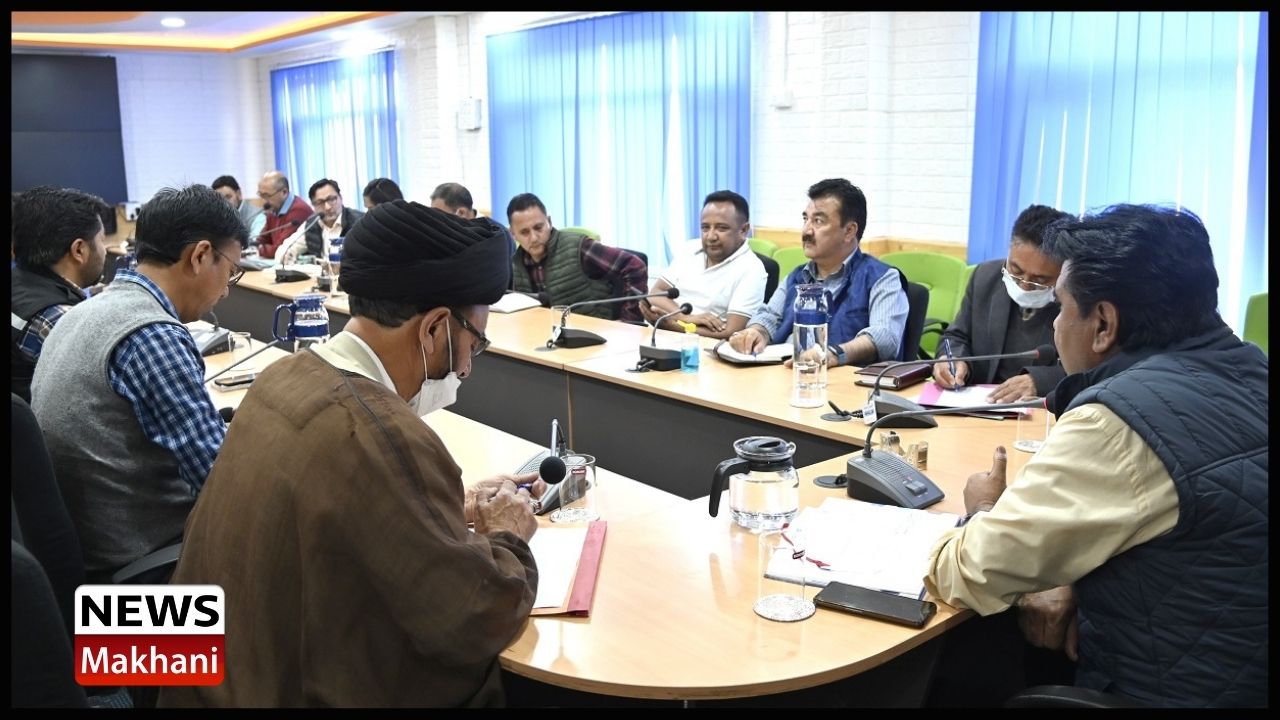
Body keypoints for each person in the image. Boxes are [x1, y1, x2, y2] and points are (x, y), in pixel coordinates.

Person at [157, 200, 544, 708]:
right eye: (475, 342)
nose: (469, 366)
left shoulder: (282, 376)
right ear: (433, 329)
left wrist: (443, 511)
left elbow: (344, 519)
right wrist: (506, 533)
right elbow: (477, 616)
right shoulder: (382, 432)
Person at [924, 204, 1268, 707]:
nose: (1055, 326)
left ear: (1103, 323)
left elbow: (964, 572)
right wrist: (1073, 576)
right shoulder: (1254, 370)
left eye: (1061, 308)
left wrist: (983, 510)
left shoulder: (1118, 421)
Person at [29, 185, 247, 583]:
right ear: (200, 255)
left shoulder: (84, 310)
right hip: (149, 566)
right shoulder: (152, 335)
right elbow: (222, 482)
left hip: (93, 547)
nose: (226, 290)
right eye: (231, 271)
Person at [728, 178, 909, 365]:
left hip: (843, 379)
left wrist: (833, 354)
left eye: (818, 221)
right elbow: (769, 316)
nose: (806, 231)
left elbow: (885, 338)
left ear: (849, 231)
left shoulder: (882, 278)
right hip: (786, 372)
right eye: (805, 219)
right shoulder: (797, 276)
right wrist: (755, 332)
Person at [933, 204, 1072, 402]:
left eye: (1040, 279)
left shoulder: (1079, 300)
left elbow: (1094, 370)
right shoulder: (985, 277)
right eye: (1016, 270)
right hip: (976, 404)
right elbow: (956, 336)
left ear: (1063, 270)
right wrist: (952, 359)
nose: (1024, 286)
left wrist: (1039, 381)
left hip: (1039, 411)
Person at [11, 186, 111, 402]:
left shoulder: (19, 283)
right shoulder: (60, 320)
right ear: (79, 250)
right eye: (102, 240)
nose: (105, 249)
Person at [641, 190, 767, 339]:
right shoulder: (689, 249)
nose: (711, 236)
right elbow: (656, 293)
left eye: (721, 228)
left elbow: (732, 332)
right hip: (661, 334)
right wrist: (685, 318)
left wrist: (676, 327)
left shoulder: (752, 269)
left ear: (743, 230)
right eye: (705, 227)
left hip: (704, 347)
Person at [507, 192, 648, 321]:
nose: (534, 238)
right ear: (513, 234)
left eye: (538, 228)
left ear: (549, 221)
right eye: (524, 232)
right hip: (544, 335)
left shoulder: (579, 248)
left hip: (594, 334)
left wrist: (629, 321)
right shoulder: (515, 263)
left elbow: (635, 266)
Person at [275, 178, 365, 266]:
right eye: (320, 202)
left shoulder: (360, 222)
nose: (327, 207)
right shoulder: (311, 224)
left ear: (340, 198)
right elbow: (281, 252)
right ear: (313, 206)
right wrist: (290, 257)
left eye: (332, 199)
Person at [254, 171, 313, 259]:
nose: (263, 201)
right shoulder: (274, 208)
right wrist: (256, 246)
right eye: (260, 195)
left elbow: (280, 249)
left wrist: (259, 250)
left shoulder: (299, 210)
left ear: (284, 192)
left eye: (267, 196)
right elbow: (262, 240)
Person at [211, 174, 264, 241]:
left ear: (239, 194)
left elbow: (255, 241)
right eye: (219, 199)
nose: (224, 203)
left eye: (228, 197)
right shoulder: (216, 217)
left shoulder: (258, 216)